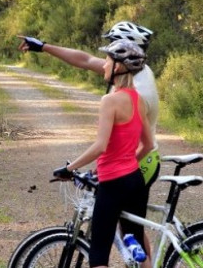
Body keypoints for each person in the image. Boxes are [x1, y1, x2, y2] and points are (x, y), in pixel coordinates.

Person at [17, 21, 160, 261]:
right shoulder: (134, 76)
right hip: (131, 161)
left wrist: (78, 167)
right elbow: (84, 60)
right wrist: (43, 47)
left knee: (125, 232)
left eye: (114, 46)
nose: (105, 57)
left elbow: (120, 143)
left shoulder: (136, 90)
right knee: (130, 233)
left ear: (128, 51)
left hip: (137, 162)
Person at [52, 39, 154, 267]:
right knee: (136, 246)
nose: (104, 65)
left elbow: (100, 146)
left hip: (113, 183)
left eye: (108, 60)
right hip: (135, 181)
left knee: (98, 256)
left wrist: (69, 169)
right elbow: (148, 145)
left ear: (117, 67)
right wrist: (128, 163)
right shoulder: (139, 101)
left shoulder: (110, 101)